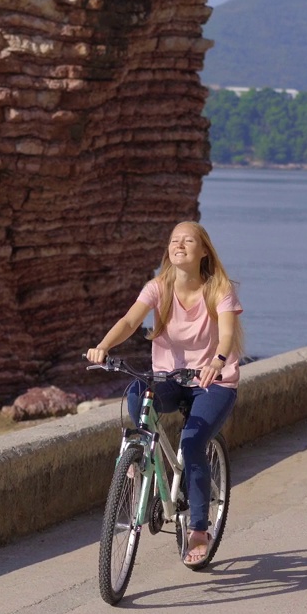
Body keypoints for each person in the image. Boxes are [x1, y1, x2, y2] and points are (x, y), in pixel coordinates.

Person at [86, 221, 243, 567]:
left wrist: (217, 360)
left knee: (192, 443)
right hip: (170, 379)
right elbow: (130, 322)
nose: (179, 245)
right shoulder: (159, 287)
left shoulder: (220, 289)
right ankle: (142, 455)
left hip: (212, 382)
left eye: (188, 240)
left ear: (204, 251)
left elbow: (228, 334)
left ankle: (199, 529)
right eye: (174, 240)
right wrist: (103, 347)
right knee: (136, 390)